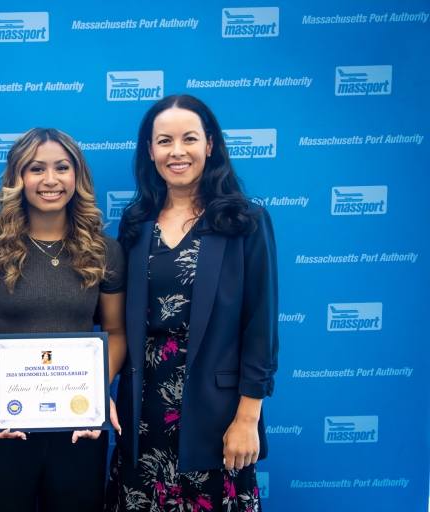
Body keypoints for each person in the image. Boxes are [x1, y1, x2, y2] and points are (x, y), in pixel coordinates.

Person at [106, 95, 278, 512]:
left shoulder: (245, 222)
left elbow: (261, 326)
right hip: (142, 417)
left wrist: (247, 419)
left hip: (218, 418)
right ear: (150, 151)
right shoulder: (134, 224)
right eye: (164, 141)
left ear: (210, 144)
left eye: (189, 139)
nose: (176, 151)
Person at [0, 128, 127, 512]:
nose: (50, 180)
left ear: (77, 176)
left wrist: (97, 391)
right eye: (36, 168)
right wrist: (2, 390)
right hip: (6, 422)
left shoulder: (105, 251)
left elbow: (116, 331)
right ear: (18, 178)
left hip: (81, 423)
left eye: (62, 168)